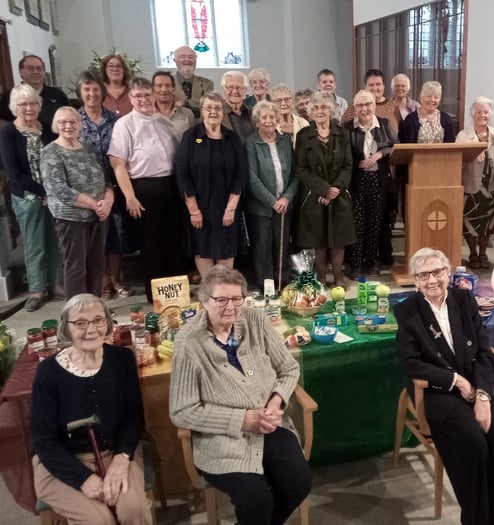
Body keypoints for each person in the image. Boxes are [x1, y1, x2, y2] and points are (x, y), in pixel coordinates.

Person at [169, 265, 312, 525]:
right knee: (255, 499)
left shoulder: (255, 319)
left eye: (237, 299)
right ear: (203, 301)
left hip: (269, 425)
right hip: (221, 437)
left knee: (299, 483)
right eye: (221, 299)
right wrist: (242, 420)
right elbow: (181, 411)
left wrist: (276, 401)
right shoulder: (188, 342)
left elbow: (288, 368)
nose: (230, 307)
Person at [395, 247, 494, 525]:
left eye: (437, 272)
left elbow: (483, 351)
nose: (432, 280)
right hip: (439, 391)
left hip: (480, 383)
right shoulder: (407, 311)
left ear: (448, 273)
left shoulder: (464, 301)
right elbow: (411, 363)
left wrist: (483, 396)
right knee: (474, 446)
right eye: (423, 275)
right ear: (415, 280)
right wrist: (456, 380)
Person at [32, 293, 152, 524]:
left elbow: (132, 416)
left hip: (115, 452)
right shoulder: (48, 372)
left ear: (107, 322)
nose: (91, 329)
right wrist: (83, 479)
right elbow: (43, 440)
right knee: (99, 520)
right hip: (61, 461)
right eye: (80, 323)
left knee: (133, 510)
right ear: (65, 328)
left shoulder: (122, 359)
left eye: (98, 320)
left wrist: (121, 460)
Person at [108, 77, 183, 302]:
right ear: (130, 99)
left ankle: (177, 294)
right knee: (151, 245)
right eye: (138, 96)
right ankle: (158, 298)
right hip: (143, 189)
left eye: (147, 95)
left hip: (170, 187)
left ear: (153, 96)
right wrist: (129, 197)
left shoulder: (162, 120)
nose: (143, 100)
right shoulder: (125, 124)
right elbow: (117, 163)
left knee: (173, 241)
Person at [41, 107, 113, 298]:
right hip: (71, 218)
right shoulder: (51, 152)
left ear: (80, 125)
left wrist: (108, 201)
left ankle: (95, 306)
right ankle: (77, 312)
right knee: (76, 267)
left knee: (97, 265)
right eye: (63, 122)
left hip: (98, 216)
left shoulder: (89, 149)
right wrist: (95, 204)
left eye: (73, 121)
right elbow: (60, 190)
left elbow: (106, 180)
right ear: (56, 125)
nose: (68, 126)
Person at [0, 85, 60, 312]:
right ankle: (36, 290)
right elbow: (14, 173)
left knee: (54, 242)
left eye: (33, 103)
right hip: (27, 197)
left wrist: (53, 191)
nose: (28, 108)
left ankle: (55, 284)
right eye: (23, 104)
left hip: (51, 195)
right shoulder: (8, 132)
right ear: (15, 107)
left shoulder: (45, 129)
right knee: (35, 245)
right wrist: (44, 192)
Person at [175, 92, 247, 278]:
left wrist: (231, 209)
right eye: (209, 108)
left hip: (227, 209)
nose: (213, 112)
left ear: (222, 112)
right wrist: (194, 210)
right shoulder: (191, 137)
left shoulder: (232, 138)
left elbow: (241, 174)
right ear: (202, 110)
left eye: (217, 108)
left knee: (226, 252)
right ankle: (209, 295)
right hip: (199, 209)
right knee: (203, 250)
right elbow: (182, 175)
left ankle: (225, 293)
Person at [76, 71, 133, 300]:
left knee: (115, 236)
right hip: (86, 189)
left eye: (95, 89)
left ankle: (116, 279)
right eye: (87, 90)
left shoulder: (115, 120)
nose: (92, 94)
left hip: (115, 185)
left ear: (103, 92)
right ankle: (102, 282)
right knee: (94, 239)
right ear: (80, 93)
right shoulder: (75, 120)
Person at [295, 91, 355, 287]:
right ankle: (320, 278)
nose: (320, 111)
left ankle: (338, 277)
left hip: (339, 195)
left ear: (331, 110)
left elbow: (348, 165)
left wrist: (335, 188)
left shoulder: (343, 134)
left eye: (324, 107)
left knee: (338, 239)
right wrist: (324, 190)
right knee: (318, 239)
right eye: (316, 108)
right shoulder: (303, 136)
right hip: (314, 196)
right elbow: (301, 168)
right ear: (310, 112)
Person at [344, 90, 398, 277]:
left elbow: (395, 144)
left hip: (378, 180)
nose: (364, 108)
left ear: (375, 106)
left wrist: (380, 153)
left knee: (375, 224)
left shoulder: (383, 124)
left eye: (368, 104)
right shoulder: (348, 128)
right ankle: (355, 264)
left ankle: (371, 262)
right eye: (360, 105)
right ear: (354, 108)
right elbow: (343, 156)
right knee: (357, 224)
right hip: (357, 182)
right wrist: (357, 163)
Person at [245, 100, 297, 291]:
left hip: (285, 204)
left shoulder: (285, 141)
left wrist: (286, 198)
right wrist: (272, 201)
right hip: (261, 207)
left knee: (281, 245)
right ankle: (264, 284)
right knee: (262, 248)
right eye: (264, 117)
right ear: (257, 121)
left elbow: (295, 174)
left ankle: (282, 281)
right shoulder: (251, 142)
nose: (268, 121)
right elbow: (251, 178)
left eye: (272, 117)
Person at [397, 80, 456, 223]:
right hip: (415, 174)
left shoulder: (446, 119)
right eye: (429, 96)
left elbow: (451, 145)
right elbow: (404, 148)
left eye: (436, 96)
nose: (432, 100)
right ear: (421, 98)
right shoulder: (410, 120)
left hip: (441, 175)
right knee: (415, 212)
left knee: (437, 209)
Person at [456, 96, 494, 269]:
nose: (482, 115)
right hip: (470, 186)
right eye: (479, 112)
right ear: (472, 114)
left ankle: (483, 254)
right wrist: (472, 153)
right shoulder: (463, 135)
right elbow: (457, 161)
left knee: (487, 224)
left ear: (490, 114)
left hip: (490, 187)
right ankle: (472, 254)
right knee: (469, 223)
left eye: (486, 112)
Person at [0, 55, 70, 128]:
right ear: (21, 72)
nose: (36, 72)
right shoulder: (8, 96)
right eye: (30, 68)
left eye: (39, 68)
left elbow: (69, 118)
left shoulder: (58, 94)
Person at [172, 45, 214, 119]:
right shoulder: (167, 83)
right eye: (182, 56)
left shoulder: (207, 84)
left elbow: (209, 104)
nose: (187, 59)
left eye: (191, 57)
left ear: (195, 61)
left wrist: (185, 103)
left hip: (200, 127)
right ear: (175, 60)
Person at [152, 71, 194, 138]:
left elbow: (195, 140)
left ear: (173, 90)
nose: (164, 89)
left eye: (168, 85)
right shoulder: (146, 116)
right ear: (153, 90)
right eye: (159, 86)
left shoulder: (187, 114)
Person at [220, 71, 255, 141]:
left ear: (245, 90)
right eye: (230, 87)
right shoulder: (217, 113)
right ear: (224, 89)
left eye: (239, 87)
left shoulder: (253, 112)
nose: (235, 91)